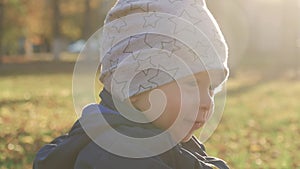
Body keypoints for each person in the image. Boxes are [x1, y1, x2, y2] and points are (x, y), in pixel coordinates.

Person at [33, 0, 230, 168]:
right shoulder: (122, 159)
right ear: (135, 85)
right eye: (192, 84)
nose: (207, 102)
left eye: (211, 88)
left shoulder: (167, 142)